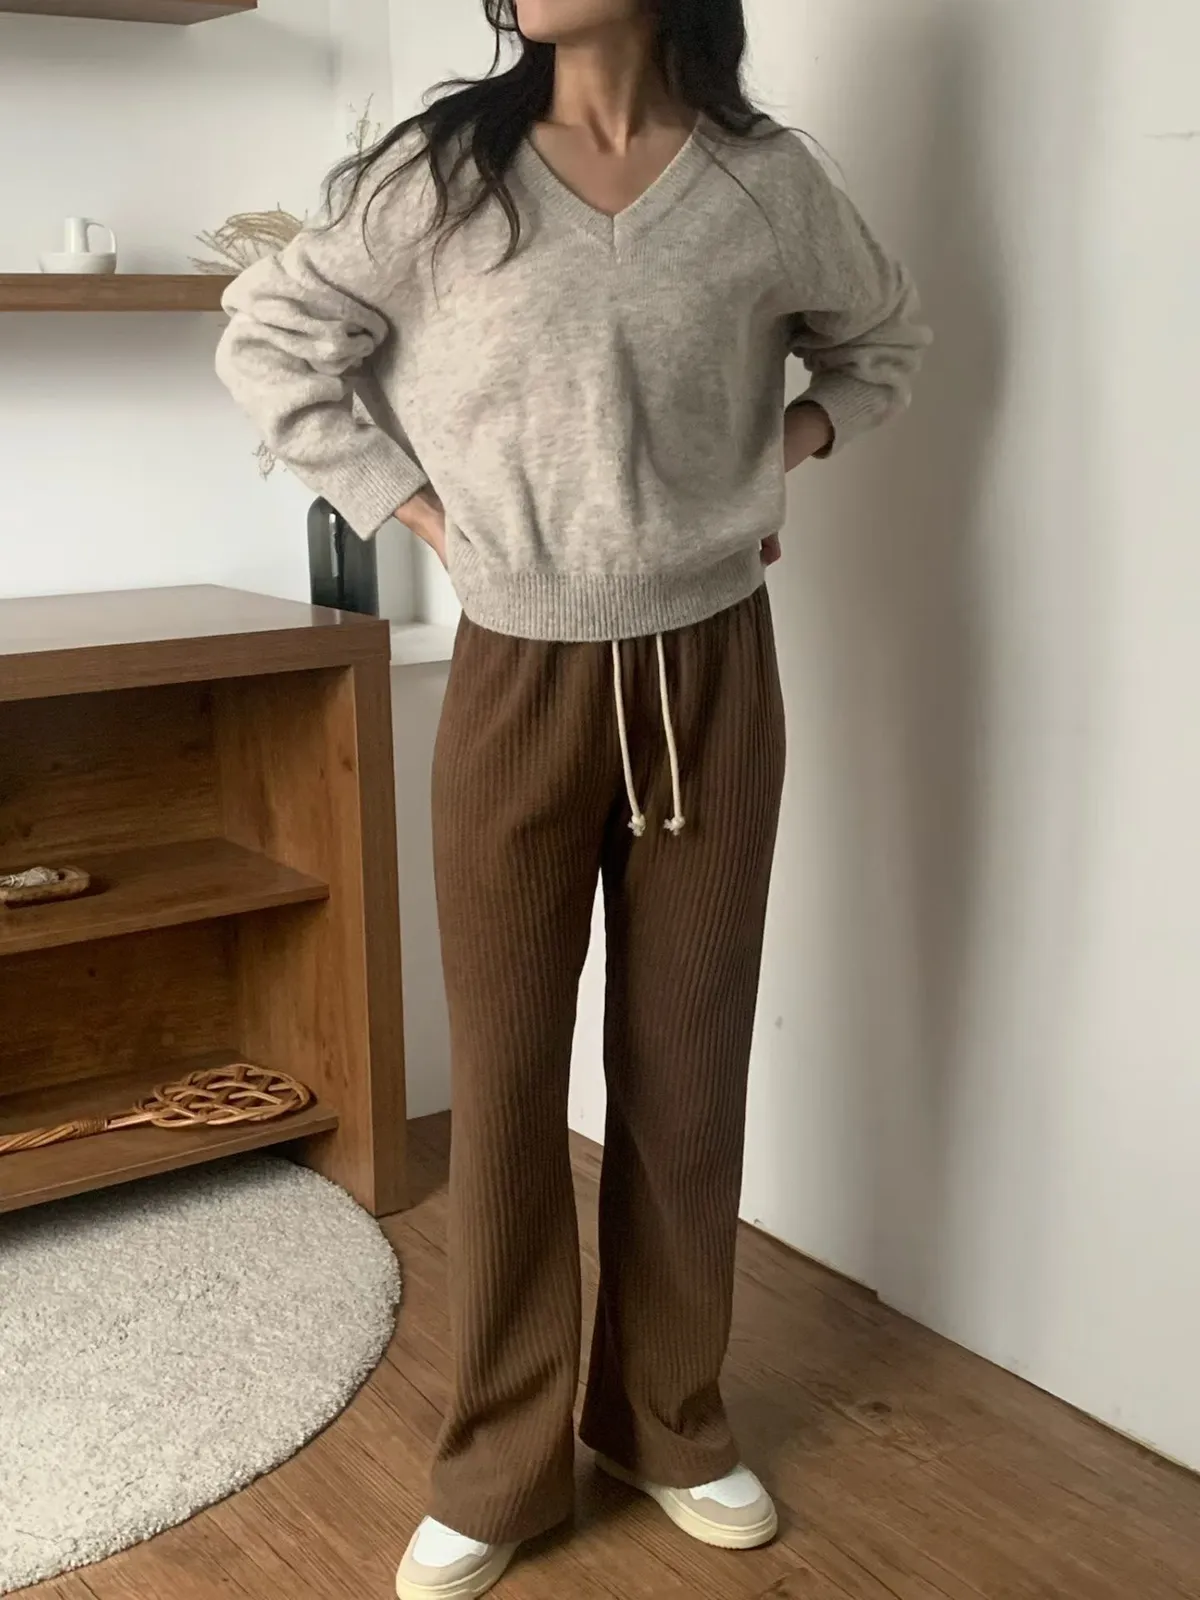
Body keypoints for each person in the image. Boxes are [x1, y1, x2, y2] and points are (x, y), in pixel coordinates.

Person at [217, 1, 929, 1594]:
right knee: (509, 1081)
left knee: (689, 1073)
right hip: (516, 676)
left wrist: (782, 450)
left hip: (712, 676)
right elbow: (269, 338)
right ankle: (501, 1462)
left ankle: (671, 1421)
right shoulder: (443, 178)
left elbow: (884, 341)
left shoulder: (762, 183)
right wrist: (415, 508)